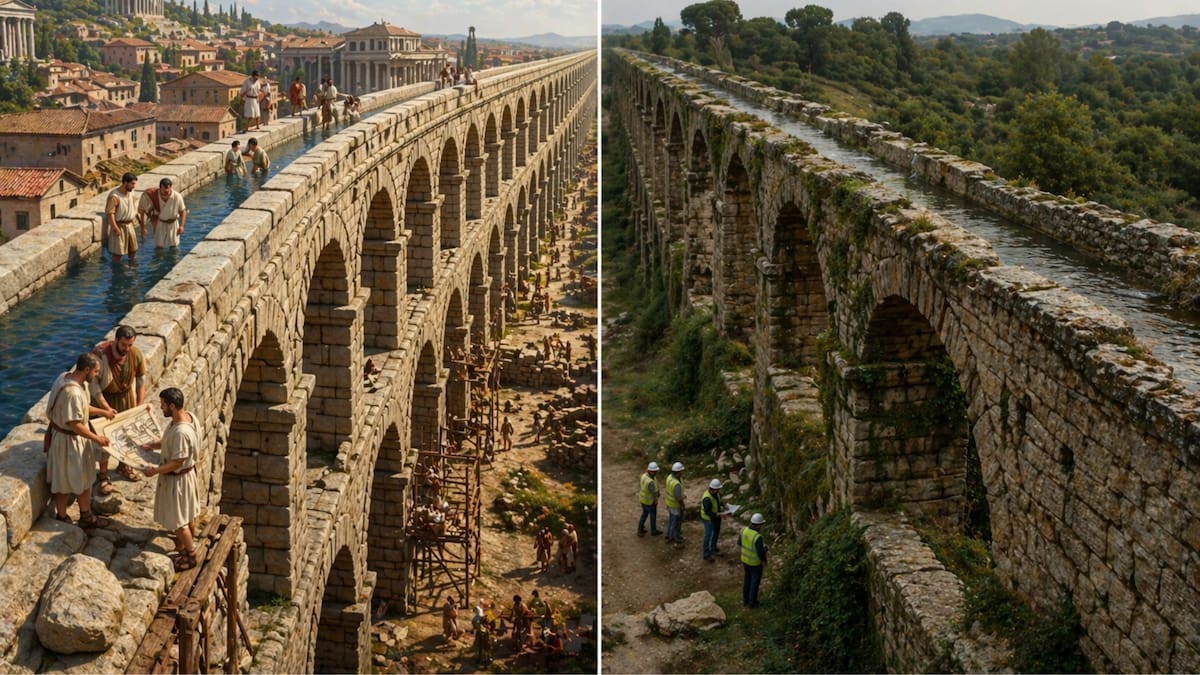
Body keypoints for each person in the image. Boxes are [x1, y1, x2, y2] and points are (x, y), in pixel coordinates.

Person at [47, 352, 113, 529]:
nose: (97, 375)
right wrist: (97, 438)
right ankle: (64, 517)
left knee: (83, 479)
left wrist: (103, 412)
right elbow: (75, 424)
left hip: (68, 439)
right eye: (96, 371)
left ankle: (84, 515)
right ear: (86, 369)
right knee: (65, 482)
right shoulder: (73, 393)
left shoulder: (65, 377)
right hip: (69, 442)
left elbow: (81, 408)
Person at [141, 387, 200, 571]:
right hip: (188, 477)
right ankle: (184, 545)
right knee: (188, 513)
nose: (161, 408)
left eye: (163, 404)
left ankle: (191, 555)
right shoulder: (189, 417)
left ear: (172, 406)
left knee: (178, 521)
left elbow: (177, 462)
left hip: (178, 481)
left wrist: (155, 471)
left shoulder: (181, 432)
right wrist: (153, 445)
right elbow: (170, 443)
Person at [89, 325, 147, 493]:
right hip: (105, 400)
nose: (127, 349)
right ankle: (103, 475)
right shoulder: (100, 356)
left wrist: (139, 406)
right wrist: (106, 408)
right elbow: (95, 387)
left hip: (126, 398)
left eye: (130, 345)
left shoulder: (135, 354)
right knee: (104, 438)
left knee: (127, 435)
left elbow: (141, 381)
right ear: (116, 340)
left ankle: (123, 466)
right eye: (123, 345)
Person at [138, 178, 186, 250]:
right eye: (164, 191)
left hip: (173, 224)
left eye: (168, 190)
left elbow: (182, 211)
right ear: (160, 188)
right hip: (160, 223)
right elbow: (142, 210)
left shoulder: (177, 196)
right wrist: (143, 226)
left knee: (174, 246)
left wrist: (182, 226)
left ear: (171, 187)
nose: (166, 192)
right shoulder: (154, 195)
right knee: (159, 247)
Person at [105, 172, 139, 263]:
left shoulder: (131, 193)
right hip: (119, 226)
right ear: (125, 182)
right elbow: (110, 213)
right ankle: (116, 270)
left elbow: (133, 206)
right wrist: (115, 228)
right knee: (118, 253)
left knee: (133, 250)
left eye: (134, 184)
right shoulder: (115, 196)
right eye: (132, 184)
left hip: (130, 226)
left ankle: (133, 268)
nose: (134, 186)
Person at [741, 513, 768, 608]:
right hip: (755, 563)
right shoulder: (757, 537)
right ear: (758, 525)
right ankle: (752, 602)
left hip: (745, 560)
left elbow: (740, 543)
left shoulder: (743, 530)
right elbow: (760, 553)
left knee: (747, 580)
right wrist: (765, 550)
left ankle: (745, 600)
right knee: (754, 582)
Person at [701, 478, 724, 561]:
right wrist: (719, 514)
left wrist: (724, 505)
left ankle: (713, 548)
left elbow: (718, 501)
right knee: (708, 535)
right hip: (708, 519)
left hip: (716, 517)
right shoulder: (707, 498)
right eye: (717, 489)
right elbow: (707, 512)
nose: (718, 491)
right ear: (712, 489)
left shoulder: (715, 494)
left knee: (716, 533)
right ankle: (706, 554)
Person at [637, 461, 661, 537]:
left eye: (656, 471)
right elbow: (653, 493)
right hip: (650, 502)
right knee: (653, 516)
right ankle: (653, 531)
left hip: (643, 500)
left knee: (644, 514)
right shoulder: (650, 481)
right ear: (650, 471)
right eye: (654, 471)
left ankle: (640, 529)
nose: (656, 473)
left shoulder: (644, 476)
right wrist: (656, 499)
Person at [664, 461, 685, 544]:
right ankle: (675, 537)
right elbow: (678, 498)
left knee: (671, 519)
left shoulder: (669, 477)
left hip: (669, 503)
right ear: (678, 472)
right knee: (676, 522)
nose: (682, 472)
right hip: (675, 505)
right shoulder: (676, 484)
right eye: (681, 471)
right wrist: (682, 505)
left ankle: (669, 534)